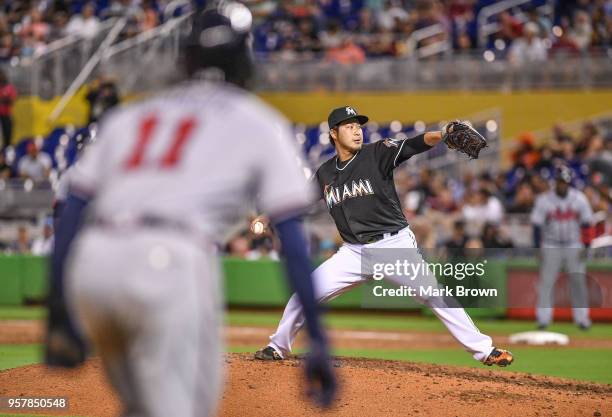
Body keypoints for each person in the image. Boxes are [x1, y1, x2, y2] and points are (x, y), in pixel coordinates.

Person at [46, 3, 336, 417]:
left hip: (94, 265)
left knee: (140, 405)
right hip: (170, 261)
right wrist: (319, 340)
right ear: (243, 59)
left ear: (185, 57)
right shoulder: (258, 122)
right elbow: (290, 236)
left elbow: (71, 209)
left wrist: (58, 305)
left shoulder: (134, 115)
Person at [255, 106, 514, 368]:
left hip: (392, 245)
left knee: (434, 294)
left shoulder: (377, 152)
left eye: (358, 126)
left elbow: (413, 144)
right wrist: (267, 216)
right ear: (334, 133)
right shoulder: (325, 173)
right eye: (349, 126)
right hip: (353, 252)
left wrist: (443, 134)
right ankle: (277, 346)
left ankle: (485, 350)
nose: (357, 131)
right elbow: (299, 201)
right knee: (305, 292)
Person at [531, 165, 594, 330]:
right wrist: (537, 248)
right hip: (551, 245)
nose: (562, 185)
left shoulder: (579, 198)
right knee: (546, 283)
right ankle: (543, 319)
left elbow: (587, 223)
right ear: (555, 182)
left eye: (564, 182)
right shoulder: (544, 200)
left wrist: (587, 245)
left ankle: (582, 320)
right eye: (559, 182)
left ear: (569, 182)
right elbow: (536, 226)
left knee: (578, 281)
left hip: (574, 244)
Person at [0, 69, 17, 152]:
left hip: (6, 115)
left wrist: (3, 99)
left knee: (7, 136)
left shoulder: (9, 87)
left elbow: (12, 100)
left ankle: (6, 153)